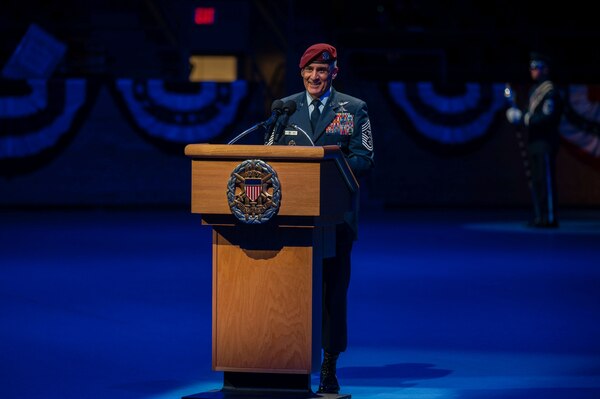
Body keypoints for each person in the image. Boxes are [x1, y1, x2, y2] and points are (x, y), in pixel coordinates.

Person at [266, 42, 375, 393]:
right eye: (310, 70)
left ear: (333, 73)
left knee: (331, 295)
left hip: (335, 220)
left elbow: (364, 158)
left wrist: (326, 169)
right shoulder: (285, 108)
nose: (315, 76)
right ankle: (284, 361)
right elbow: (267, 156)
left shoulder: (354, 109)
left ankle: (329, 365)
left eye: (322, 70)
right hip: (290, 220)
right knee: (287, 294)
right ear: (301, 73)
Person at [506, 51, 563, 228]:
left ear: (545, 69)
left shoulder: (550, 91)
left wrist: (523, 119)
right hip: (534, 141)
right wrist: (517, 115)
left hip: (545, 141)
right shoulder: (534, 91)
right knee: (536, 181)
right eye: (531, 67)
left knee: (545, 181)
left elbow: (546, 117)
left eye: (535, 67)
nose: (532, 70)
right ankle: (539, 216)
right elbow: (529, 113)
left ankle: (550, 216)